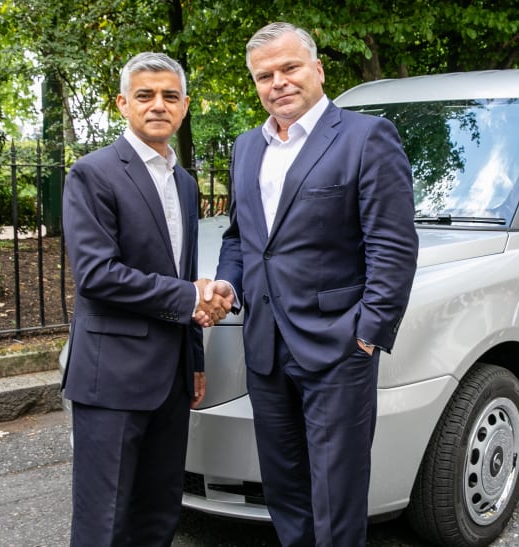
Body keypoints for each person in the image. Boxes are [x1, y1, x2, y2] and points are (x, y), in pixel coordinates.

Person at [204, 22, 419, 547]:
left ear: (317, 69)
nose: (277, 82)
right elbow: (241, 236)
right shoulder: (246, 148)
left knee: (337, 494)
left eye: (289, 68)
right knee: (285, 490)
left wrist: (367, 335)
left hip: (338, 347)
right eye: (264, 75)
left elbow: (393, 247)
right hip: (266, 348)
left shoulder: (366, 137)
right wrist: (229, 284)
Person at [61, 51, 231, 546]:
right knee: (104, 522)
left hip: (171, 380)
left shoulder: (185, 182)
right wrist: (190, 294)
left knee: (159, 515)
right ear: (122, 103)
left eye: (170, 96)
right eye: (145, 95)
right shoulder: (92, 174)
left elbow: (184, 275)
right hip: (111, 378)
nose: (159, 105)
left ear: (184, 106)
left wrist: (194, 360)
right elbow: (97, 275)